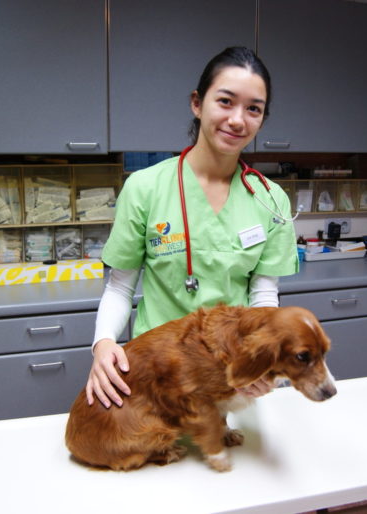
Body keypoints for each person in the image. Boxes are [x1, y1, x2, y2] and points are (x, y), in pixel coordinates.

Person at [86, 46, 299, 408]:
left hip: (227, 377)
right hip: (157, 371)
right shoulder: (145, 188)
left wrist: (260, 360)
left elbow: (264, 295)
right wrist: (103, 342)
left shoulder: (270, 199)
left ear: (262, 119)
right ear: (197, 104)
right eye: (225, 101)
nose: (238, 120)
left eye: (253, 109)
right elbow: (120, 287)